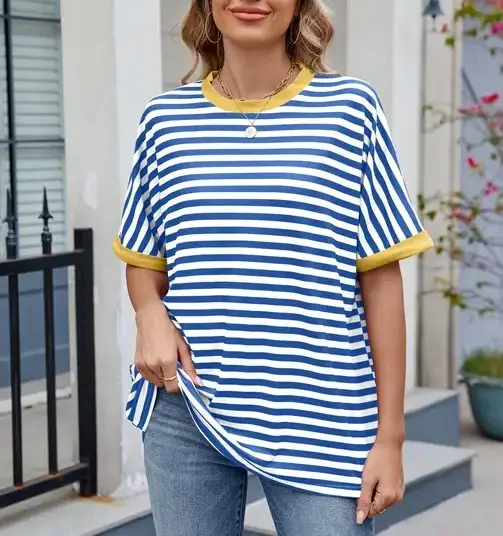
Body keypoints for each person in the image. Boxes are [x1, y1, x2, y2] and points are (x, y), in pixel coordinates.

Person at [112, 1, 434, 535]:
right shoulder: (165, 121)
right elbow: (145, 255)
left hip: (322, 413)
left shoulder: (349, 111)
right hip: (186, 405)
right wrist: (148, 312)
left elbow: (381, 281)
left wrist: (391, 436)